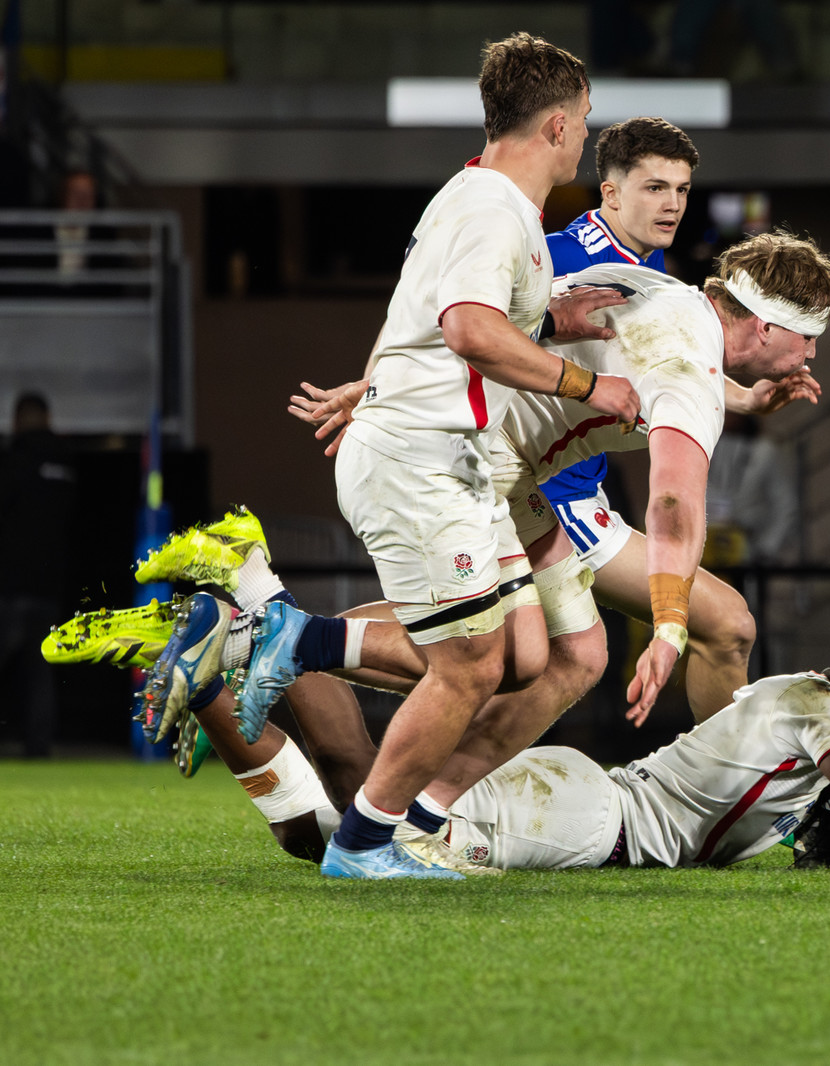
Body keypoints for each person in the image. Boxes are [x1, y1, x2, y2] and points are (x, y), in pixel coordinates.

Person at [143, 34, 643, 881]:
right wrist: (587, 387)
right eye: (587, 122)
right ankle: (363, 845)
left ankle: (290, 638)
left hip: (444, 453)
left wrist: (554, 324)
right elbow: (467, 330)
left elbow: (424, 316)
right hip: (422, 456)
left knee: (526, 653)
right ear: (557, 124)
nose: (588, 139)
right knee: (473, 664)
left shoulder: (476, 197)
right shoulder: (494, 210)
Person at [124, 631, 830, 874]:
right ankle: (242, 636)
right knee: (360, 824)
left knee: (339, 818)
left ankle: (231, 648)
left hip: (583, 799)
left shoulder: (810, 720)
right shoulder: (816, 706)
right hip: (596, 822)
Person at [540, 116, 815, 720]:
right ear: (610, 193)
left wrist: (741, 397)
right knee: (521, 663)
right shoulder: (551, 259)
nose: (672, 205)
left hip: (578, 492)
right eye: (654, 187)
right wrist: (379, 388)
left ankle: (724, 804)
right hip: (536, 496)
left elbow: (652, 376)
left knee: (727, 627)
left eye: (682, 189)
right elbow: (457, 324)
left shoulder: (652, 267)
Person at [1, 394, 75, 757]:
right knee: (40, 669)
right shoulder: (65, 463)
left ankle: (34, 742)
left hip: (10, 584)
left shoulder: (13, 459)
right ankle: (38, 745)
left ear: (16, 420)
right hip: (49, 583)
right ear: (48, 417)